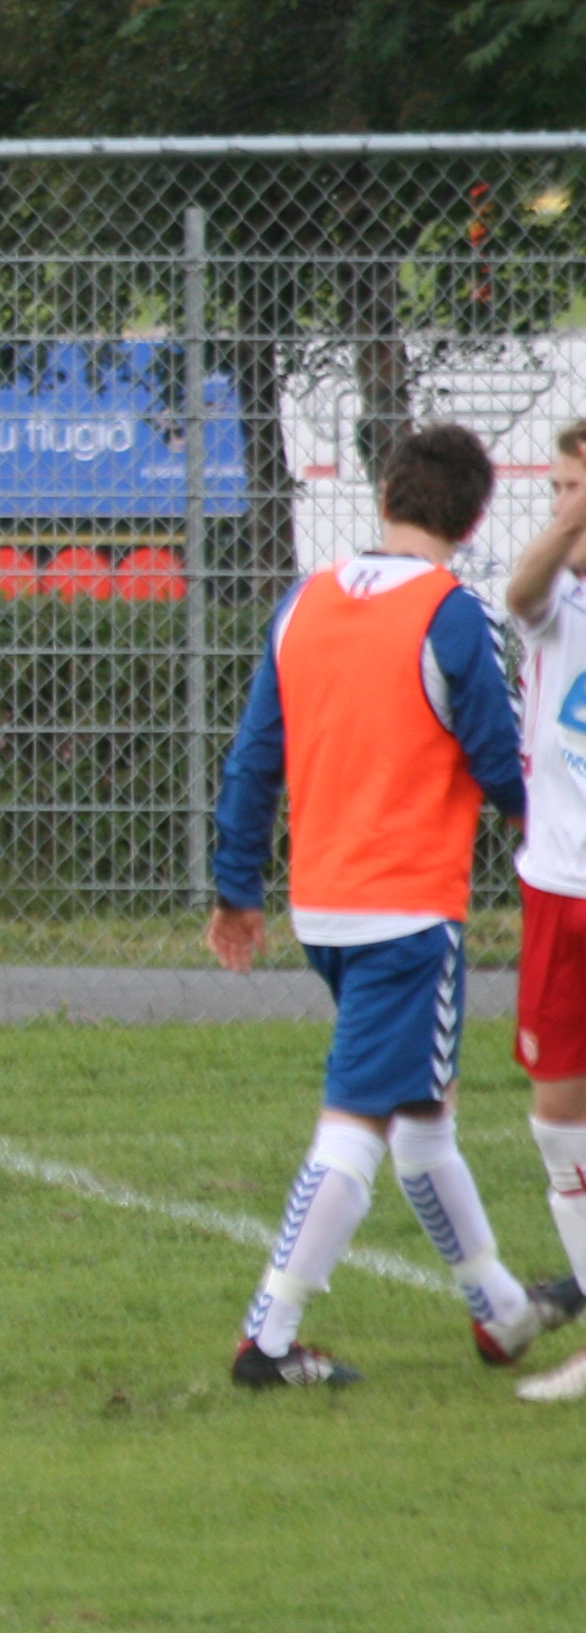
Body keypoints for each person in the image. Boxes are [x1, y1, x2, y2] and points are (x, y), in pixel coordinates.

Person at [208, 419, 583, 1387]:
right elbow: (501, 759)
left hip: (322, 906)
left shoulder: (304, 601)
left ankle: (500, 1309)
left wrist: (237, 887)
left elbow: (253, 758)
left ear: (384, 497)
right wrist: (540, 824)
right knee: (359, 1122)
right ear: (473, 521)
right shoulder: (452, 616)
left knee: (423, 1112)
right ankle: (269, 1338)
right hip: (409, 913)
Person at [497, 419, 586, 1402]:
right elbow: (518, 593)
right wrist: (572, 522)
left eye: (576, 489)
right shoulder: (555, 602)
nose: (564, 507)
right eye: (558, 489)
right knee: (560, 1123)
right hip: (560, 893)